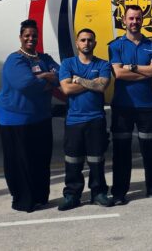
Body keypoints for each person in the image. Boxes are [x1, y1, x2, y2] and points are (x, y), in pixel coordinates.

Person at [0, 19, 59, 212]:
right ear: (21, 37)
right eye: (27, 36)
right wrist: (46, 78)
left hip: (39, 117)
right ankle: (23, 200)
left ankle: (40, 197)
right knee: (20, 162)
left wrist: (44, 78)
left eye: (34, 36)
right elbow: (25, 84)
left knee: (40, 159)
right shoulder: (15, 60)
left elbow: (61, 73)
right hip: (15, 119)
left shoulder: (43, 58)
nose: (31, 39)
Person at [109, 5, 152, 202]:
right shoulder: (115, 46)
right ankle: (119, 191)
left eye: (138, 18)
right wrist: (145, 72)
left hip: (146, 106)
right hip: (122, 106)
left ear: (143, 21)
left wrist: (132, 68)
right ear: (124, 21)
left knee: (150, 151)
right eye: (131, 18)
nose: (134, 22)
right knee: (121, 152)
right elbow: (118, 73)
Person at [57, 28, 115, 210]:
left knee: (96, 159)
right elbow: (66, 89)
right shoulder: (67, 64)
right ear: (77, 43)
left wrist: (79, 80)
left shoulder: (104, 64)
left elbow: (102, 86)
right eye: (83, 40)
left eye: (90, 40)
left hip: (95, 119)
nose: (86, 43)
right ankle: (72, 195)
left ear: (95, 43)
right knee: (73, 160)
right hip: (74, 120)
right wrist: (91, 81)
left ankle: (98, 192)